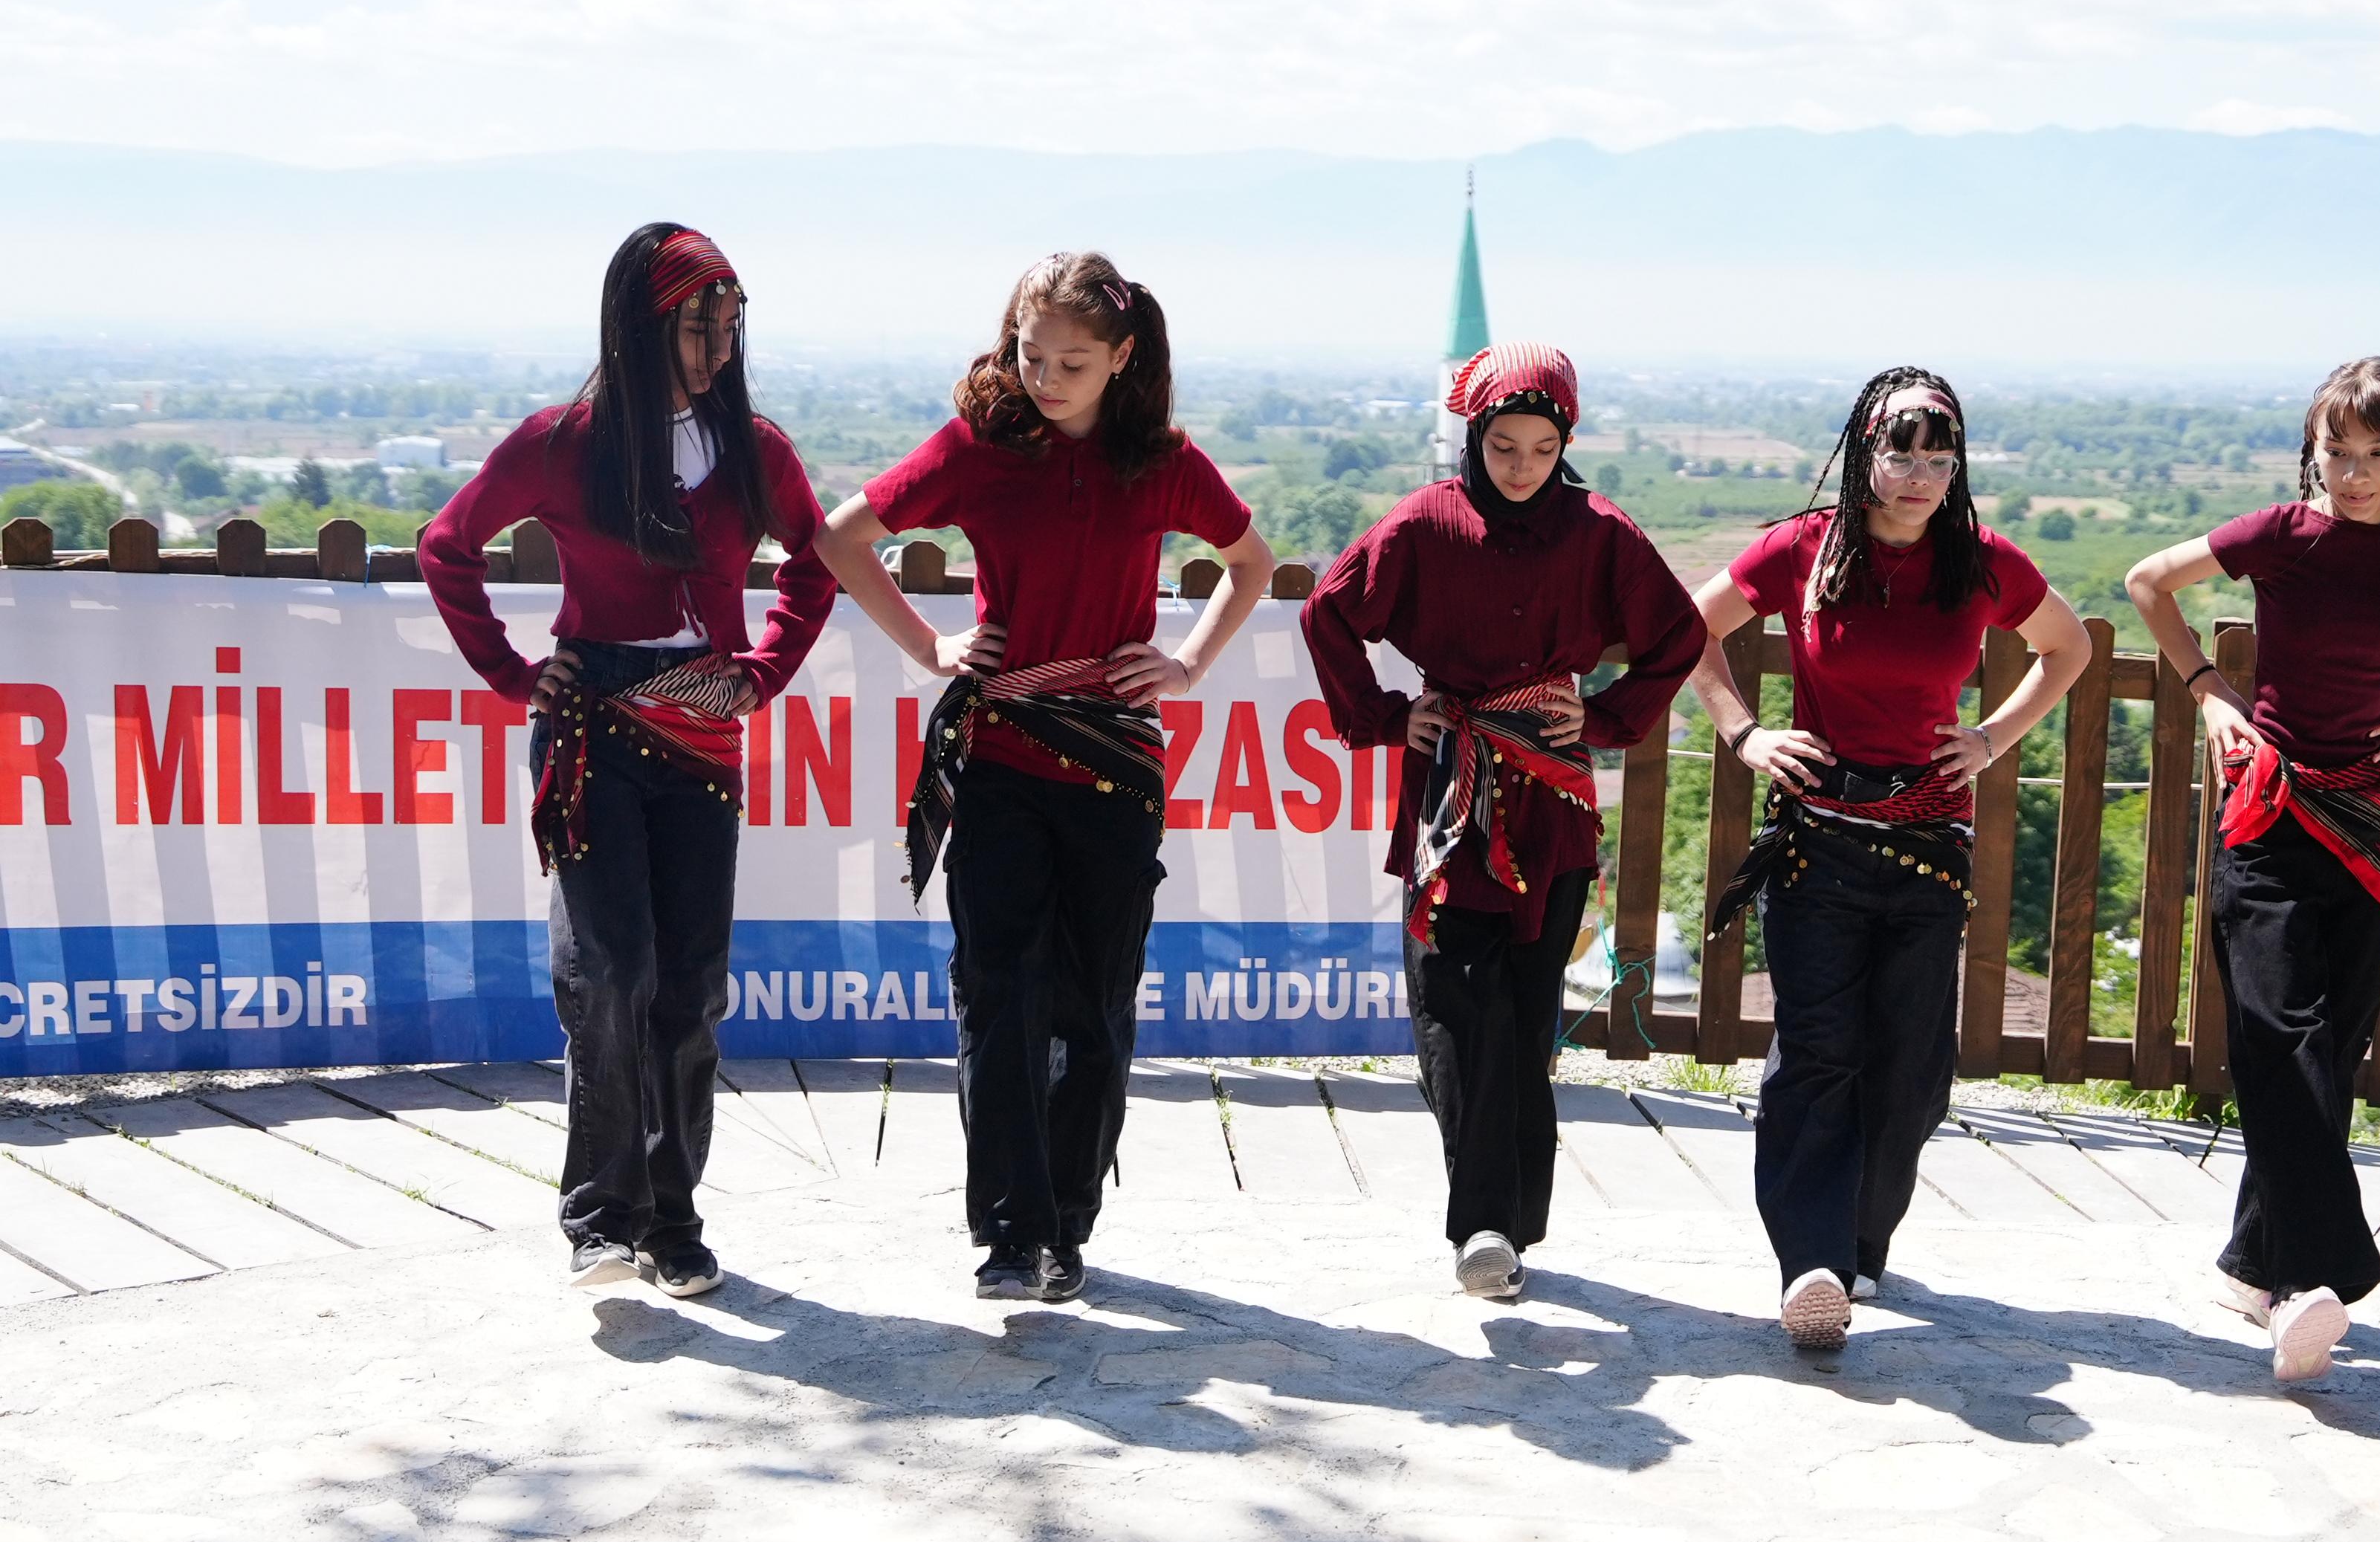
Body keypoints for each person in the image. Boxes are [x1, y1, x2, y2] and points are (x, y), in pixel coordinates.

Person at [814, 252, 1273, 1303]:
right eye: (1031, 356)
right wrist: (930, 646)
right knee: (998, 992)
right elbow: (842, 539)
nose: (1048, 378)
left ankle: (1069, 1224)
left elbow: (1251, 563)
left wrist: (1188, 664)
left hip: (1115, 766)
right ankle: (1012, 1236)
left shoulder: (1162, 461)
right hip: (1002, 754)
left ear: (1122, 357)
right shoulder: (978, 448)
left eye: (1073, 361)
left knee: (1094, 1004)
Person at [420, 223, 835, 1299]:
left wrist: (763, 672)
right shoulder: (561, 443)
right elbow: (446, 545)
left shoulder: (757, 450)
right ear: (640, 329)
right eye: (698, 327)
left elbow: (816, 564)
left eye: (730, 327)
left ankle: (672, 1217)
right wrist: (515, 674)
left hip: (705, 725)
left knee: (689, 985)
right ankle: (602, 1221)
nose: (719, 348)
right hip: (593, 723)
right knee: (608, 967)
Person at [1690, 368, 2088, 1353]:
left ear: (1958, 467)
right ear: (1864, 454)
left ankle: (1861, 1248)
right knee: (1817, 1052)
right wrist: (1745, 733)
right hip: (1818, 843)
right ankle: (1811, 1263)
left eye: (1937, 458)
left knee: (1910, 1069)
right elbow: (1688, 632)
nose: (1917, 476)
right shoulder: (1801, 549)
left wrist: (1991, 738)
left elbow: (2068, 647)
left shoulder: (1982, 561)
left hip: (1929, 853)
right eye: (1899, 453)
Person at [1303, 343, 1704, 1301]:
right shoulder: (1423, 523)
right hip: (1451, 784)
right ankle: (1483, 1222)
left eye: (1542, 448)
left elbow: (1679, 634)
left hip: (1551, 796)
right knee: (1450, 995)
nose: (1522, 467)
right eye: (1503, 446)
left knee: (1524, 1011)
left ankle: (1511, 1223)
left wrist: (1603, 717)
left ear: (1566, 444)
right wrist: (1386, 717)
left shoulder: (1601, 532)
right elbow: (1328, 613)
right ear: (1473, 436)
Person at [2125, 356, 2380, 1382]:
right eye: (2339, 451)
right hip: (2271, 810)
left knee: (2329, 1050)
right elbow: (2148, 582)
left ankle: (2253, 1267)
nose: (2355, 472)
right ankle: (2313, 1280)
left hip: (2367, 828)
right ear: (2313, 449)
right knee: (2276, 1033)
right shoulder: (2282, 534)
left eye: (2379, 452)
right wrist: (2209, 691)